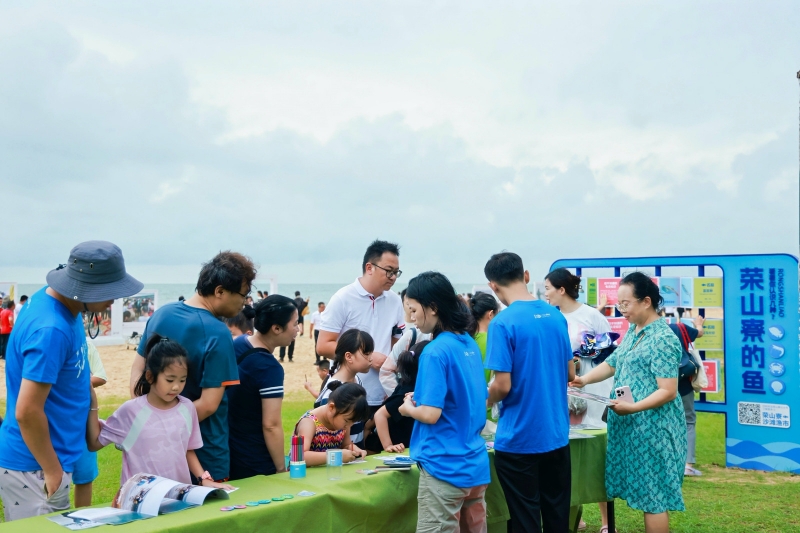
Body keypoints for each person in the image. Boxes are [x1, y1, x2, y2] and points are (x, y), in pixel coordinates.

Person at [0, 241, 142, 521]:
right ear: (87, 288)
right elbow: (27, 411)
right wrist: (52, 470)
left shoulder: (66, 306)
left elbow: (76, 376)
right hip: (35, 468)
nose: (114, 301)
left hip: (55, 456)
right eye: (110, 292)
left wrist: (89, 419)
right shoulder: (51, 328)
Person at [571, 272, 686, 533]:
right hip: (634, 425)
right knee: (646, 490)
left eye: (626, 304)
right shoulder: (636, 331)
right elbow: (613, 362)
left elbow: (667, 390)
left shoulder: (663, 338)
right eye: (619, 304)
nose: (621, 310)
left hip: (653, 427)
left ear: (646, 301)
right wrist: (583, 380)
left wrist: (633, 407)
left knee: (654, 497)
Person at [129, 251, 256, 483]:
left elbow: (138, 370)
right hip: (205, 453)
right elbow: (208, 405)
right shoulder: (218, 333)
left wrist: (151, 419)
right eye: (243, 295)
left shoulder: (161, 314)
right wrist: (167, 425)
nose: (245, 302)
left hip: (154, 450)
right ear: (220, 291)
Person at [483, 253, 575, 533]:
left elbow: (502, 385)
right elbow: (570, 374)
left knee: (524, 520)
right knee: (557, 515)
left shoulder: (502, 323)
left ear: (493, 286)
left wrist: (478, 404)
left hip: (520, 439)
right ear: (525, 275)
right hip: (557, 435)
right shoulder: (556, 316)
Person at [399, 271, 490, 533]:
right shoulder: (468, 343)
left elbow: (430, 414)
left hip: (444, 465)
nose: (411, 318)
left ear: (433, 308)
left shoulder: (435, 351)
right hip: (473, 463)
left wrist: (408, 409)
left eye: (414, 310)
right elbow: (475, 399)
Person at [88, 335, 232, 491]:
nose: (176, 387)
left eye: (182, 380)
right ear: (150, 376)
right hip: (139, 502)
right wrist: (93, 405)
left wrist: (203, 479)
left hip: (177, 498)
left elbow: (187, 449)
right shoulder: (131, 412)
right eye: (170, 380)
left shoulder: (187, 408)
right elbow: (94, 443)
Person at [543, 267, 613, 531]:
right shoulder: (550, 317)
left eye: (548, 288)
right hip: (559, 394)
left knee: (594, 456)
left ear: (562, 290)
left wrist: (579, 357)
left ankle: (607, 520)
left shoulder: (591, 316)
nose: (545, 293)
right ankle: (573, 516)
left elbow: (608, 355)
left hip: (589, 393)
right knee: (567, 456)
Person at [317, 240, 405, 413]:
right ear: (369, 267)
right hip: (347, 395)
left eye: (396, 272)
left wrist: (393, 380)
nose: (393, 277)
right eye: (388, 271)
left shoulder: (395, 301)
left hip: (384, 394)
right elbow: (323, 345)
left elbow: (397, 345)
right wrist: (369, 357)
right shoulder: (343, 299)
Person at [227, 295, 298, 480]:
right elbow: (271, 425)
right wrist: (281, 468)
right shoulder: (269, 368)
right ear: (276, 328)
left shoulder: (239, 343)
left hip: (228, 448)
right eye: (295, 324)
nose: (297, 330)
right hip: (254, 457)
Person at [365, 340, 428, 454]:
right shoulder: (408, 391)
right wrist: (388, 446)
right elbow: (380, 415)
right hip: (396, 445)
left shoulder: (412, 383)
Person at [315, 329, 374, 446]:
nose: (371, 358)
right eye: (366, 354)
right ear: (348, 356)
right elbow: (326, 435)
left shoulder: (357, 380)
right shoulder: (333, 392)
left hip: (354, 453)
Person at [294, 382, 369, 465]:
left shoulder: (344, 422)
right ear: (331, 407)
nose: (349, 426)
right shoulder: (309, 422)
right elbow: (299, 456)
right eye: (347, 421)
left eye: (353, 422)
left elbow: (346, 445)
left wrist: (354, 449)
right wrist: (337, 456)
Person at [669, 313, 705, 477]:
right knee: (688, 421)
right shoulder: (680, 327)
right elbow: (699, 333)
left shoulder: (650, 331)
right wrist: (698, 324)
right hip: (683, 384)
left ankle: (668, 461)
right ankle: (687, 465)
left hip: (657, 386)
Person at [73, 338, 108, 508]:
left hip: (83, 420)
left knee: (84, 475)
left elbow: (101, 376)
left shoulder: (86, 344)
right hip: (56, 422)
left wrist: (77, 384)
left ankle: (81, 520)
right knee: (54, 477)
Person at [379, 289, 432, 397]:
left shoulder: (452, 340)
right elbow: (386, 371)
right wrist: (400, 398)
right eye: (410, 306)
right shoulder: (412, 335)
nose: (413, 316)